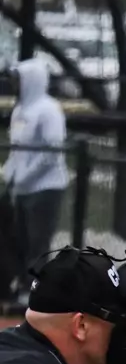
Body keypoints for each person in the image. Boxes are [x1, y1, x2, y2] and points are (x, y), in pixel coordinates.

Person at [3, 58, 69, 299]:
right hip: (21, 189)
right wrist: (10, 174)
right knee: (18, 239)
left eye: (18, 80)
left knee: (37, 242)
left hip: (45, 187)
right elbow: (16, 149)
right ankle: (21, 283)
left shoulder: (49, 110)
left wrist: (27, 176)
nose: (14, 84)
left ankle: (36, 290)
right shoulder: (20, 110)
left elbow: (53, 151)